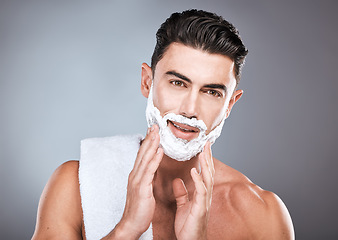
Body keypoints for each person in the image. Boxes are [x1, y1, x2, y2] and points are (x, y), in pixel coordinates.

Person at [32, 9, 294, 240]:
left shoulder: (263, 215)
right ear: (147, 82)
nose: (190, 110)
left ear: (230, 105)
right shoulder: (74, 187)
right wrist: (126, 230)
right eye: (178, 83)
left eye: (211, 92)